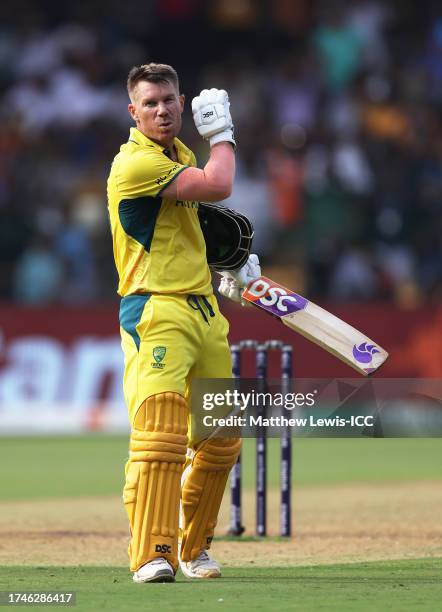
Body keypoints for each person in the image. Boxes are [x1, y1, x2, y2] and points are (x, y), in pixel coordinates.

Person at [107, 63, 260, 583]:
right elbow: (218, 185)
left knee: (221, 438)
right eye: (150, 103)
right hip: (156, 310)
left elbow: (189, 226)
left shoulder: (180, 157)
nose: (163, 110)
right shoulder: (133, 164)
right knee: (161, 433)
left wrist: (230, 266)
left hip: (202, 309)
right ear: (134, 112)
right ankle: (152, 553)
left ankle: (193, 550)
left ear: (181, 99)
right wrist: (223, 135)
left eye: (169, 99)